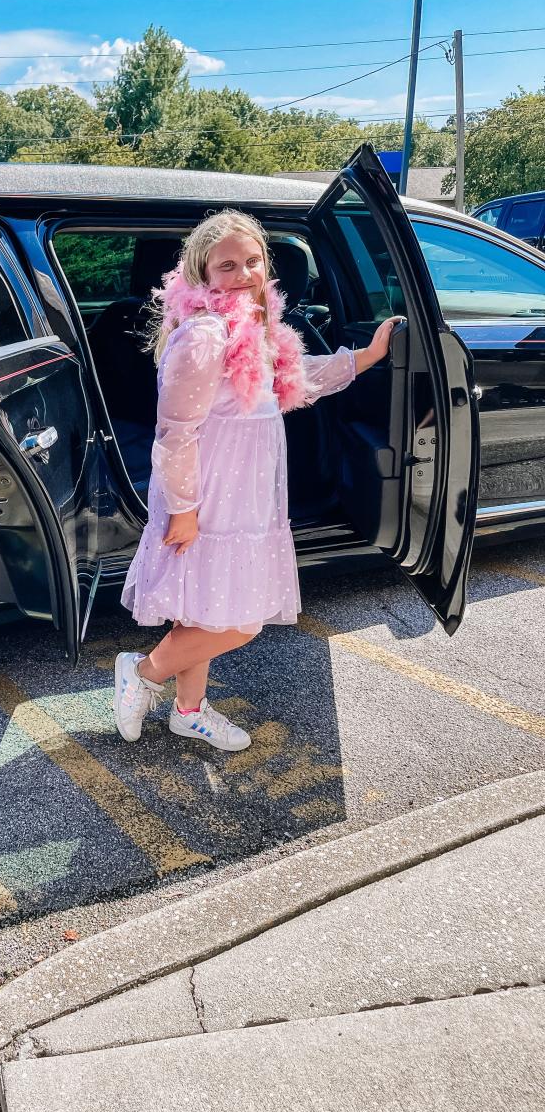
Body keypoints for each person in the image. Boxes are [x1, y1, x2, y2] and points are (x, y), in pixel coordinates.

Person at [113, 208, 401, 751]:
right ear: (201, 273)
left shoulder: (257, 325)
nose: (243, 273)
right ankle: (142, 673)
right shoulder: (203, 335)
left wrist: (366, 357)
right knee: (240, 620)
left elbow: (297, 378)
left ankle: (189, 710)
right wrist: (183, 509)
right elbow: (175, 432)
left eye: (253, 261)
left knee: (203, 609)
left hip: (250, 489)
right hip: (208, 493)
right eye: (227, 265)